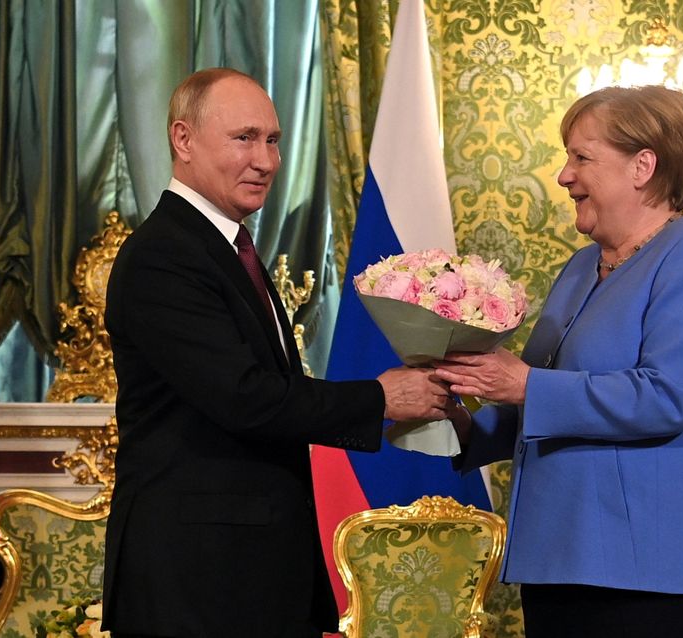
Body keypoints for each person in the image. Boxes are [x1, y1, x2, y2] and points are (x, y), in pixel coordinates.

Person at [102, 67, 453, 638]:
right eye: (245, 138)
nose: (266, 160)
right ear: (183, 139)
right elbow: (244, 398)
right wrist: (380, 398)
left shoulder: (225, 246)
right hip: (196, 580)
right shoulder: (163, 256)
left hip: (245, 572)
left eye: (273, 140)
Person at [435, 85, 683, 637]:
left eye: (581, 157)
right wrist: (462, 416)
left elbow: (668, 396)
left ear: (643, 166)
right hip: (565, 558)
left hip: (663, 571)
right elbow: (544, 397)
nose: (564, 175)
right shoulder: (582, 267)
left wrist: (525, 386)